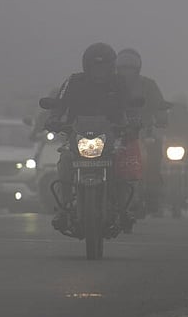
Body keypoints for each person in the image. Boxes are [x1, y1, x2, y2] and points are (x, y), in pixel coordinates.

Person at [44, 43, 133, 232]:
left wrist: (134, 121)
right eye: (95, 66)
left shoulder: (119, 83)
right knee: (66, 161)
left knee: (123, 162)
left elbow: (131, 106)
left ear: (111, 67)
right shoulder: (74, 81)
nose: (99, 71)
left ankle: (123, 208)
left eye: (103, 66)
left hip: (111, 137)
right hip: (77, 136)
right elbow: (59, 103)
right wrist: (53, 118)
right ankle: (65, 208)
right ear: (87, 66)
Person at [115, 48, 168, 216]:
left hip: (143, 133)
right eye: (123, 67)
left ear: (137, 68)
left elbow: (159, 105)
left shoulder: (148, 85)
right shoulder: (111, 84)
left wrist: (161, 118)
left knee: (153, 159)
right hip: (116, 133)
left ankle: (153, 195)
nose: (126, 72)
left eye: (130, 68)